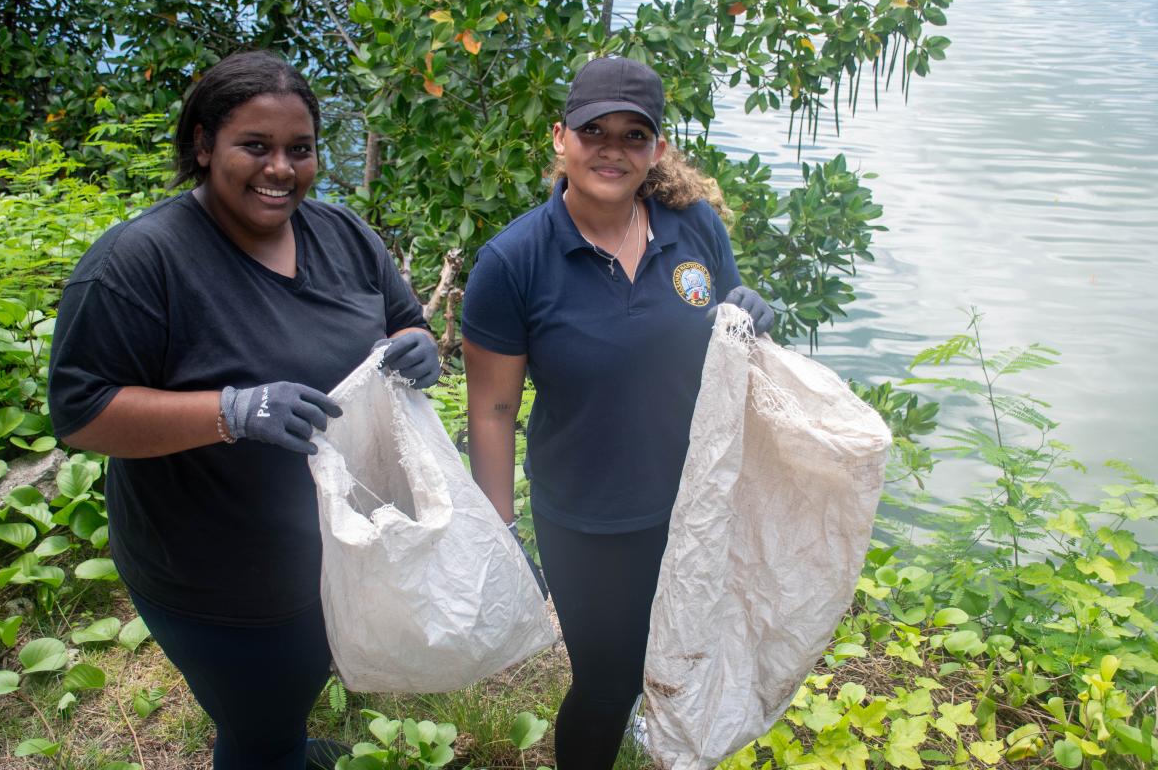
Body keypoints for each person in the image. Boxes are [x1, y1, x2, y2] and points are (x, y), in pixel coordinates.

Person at [47, 51, 440, 770]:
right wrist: (232, 411)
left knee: (282, 701)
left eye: (300, 149)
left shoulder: (343, 237)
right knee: (255, 729)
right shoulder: (142, 262)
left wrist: (419, 346)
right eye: (254, 146)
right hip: (216, 576)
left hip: (336, 552)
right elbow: (81, 411)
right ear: (202, 145)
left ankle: (280, 735)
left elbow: (402, 319)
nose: (280, 169)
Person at [461, 56, 774, 769]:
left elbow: (727, 332)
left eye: (634, 135)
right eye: (593, 130)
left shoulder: (692, 226)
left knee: (686, 652)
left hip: (697, 502)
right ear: (559, 138)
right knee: (606, 684)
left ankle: (661, 738)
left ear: (657, 150)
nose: (612, 149)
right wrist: (499, 530)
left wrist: (753, 313)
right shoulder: (513, 262)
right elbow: (493, 408)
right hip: (589, 516)